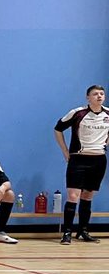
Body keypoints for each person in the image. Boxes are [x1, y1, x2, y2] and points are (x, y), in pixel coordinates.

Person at [53, 85, 108, 244]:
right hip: (78, 159)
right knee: (73, 196)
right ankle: (67, 233)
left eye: (102, 94)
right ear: (88, 97)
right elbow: (58, 129)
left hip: (98, 160)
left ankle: (83, 231)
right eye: (95, 94)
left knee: (87, 196)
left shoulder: (108, 114)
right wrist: (65, 151)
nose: (99, 96)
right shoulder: (78, 113)